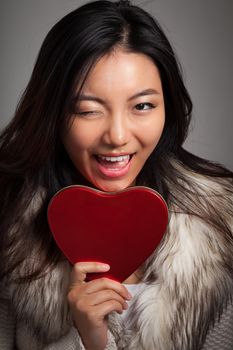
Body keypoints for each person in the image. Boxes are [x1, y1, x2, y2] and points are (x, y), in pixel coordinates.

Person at [0, 0, 232, 349]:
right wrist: (82, 340)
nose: (118, 136)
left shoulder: (222, 225)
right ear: (52, 114)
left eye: (142, 106)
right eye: (88, 110)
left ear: (167, 108)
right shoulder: (9, 225)